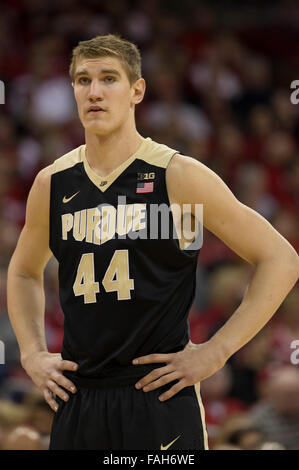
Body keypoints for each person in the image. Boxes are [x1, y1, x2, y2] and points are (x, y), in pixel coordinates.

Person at [7, 34, 299, 451]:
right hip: (78, 397)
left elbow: (281, 259)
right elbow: (22, 270)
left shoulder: (177, 174)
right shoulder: (52, 182)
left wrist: (216, 352)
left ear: (136, 90)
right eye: (82, 80)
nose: (94, 92)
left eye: (109, 79)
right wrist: (32, 353)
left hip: (159, 398)